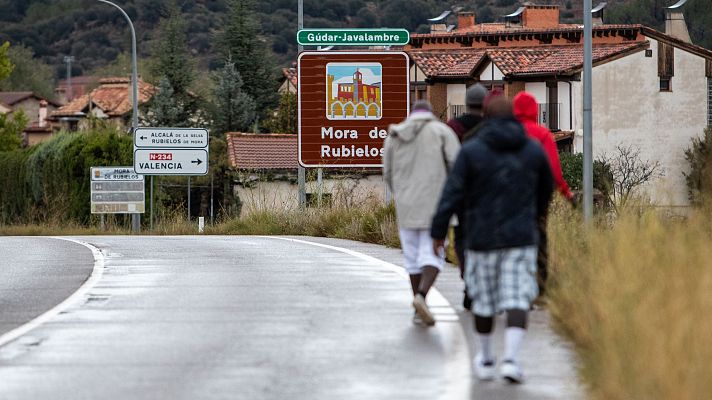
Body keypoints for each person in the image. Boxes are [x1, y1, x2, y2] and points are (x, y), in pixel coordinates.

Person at [430, 96, 553, 383]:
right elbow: (545, 189)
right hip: (521, 237)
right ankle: (511, 359)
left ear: (485, 116)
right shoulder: (533, 151)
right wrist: (535, 217)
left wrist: (438, 232)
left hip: (480, 237)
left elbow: (452, 193)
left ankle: (485, 358)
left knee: (483, 302)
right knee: (517, 298)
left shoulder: (471, 151)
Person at [383, 100, 460, 326]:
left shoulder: (394, 136)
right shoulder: (442, 132)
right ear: (430, 113)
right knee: (433, 253)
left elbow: (387, 173)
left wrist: (402, 194)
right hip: (437, 205)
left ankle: (418, 307)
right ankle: (422, 296)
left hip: (407, 205)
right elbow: (456, 167)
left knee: (412, 257)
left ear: (411, 114)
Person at [512, 91, 574, 297]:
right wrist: (566, 194)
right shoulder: (542, 134)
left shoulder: (508, 132)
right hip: (536, 198)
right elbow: (554, 170)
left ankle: (512, 281)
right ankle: (539, 285)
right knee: (539, 238)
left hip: (507, 197)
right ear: (534, 111)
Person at [446, 84, 488, 310]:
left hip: (462, 193)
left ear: (466, 102)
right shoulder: (491, 127)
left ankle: (468, 277)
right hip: (490, 193)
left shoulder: (453, 127)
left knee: (462, 238)